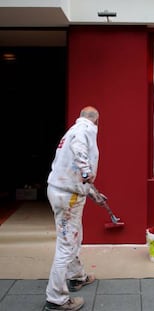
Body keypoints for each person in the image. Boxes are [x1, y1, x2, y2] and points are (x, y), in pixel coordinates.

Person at [44, 106, 103, 311]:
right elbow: (80, 153)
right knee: (66, 245)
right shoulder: (84, 131)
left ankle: (77, 277)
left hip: (63, 190)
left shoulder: (71, 130)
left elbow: (71, 167)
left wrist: (93, 193)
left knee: (74, 237)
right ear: (96, 121)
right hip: (68, 195)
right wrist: (87, 172)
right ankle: (56, 298)